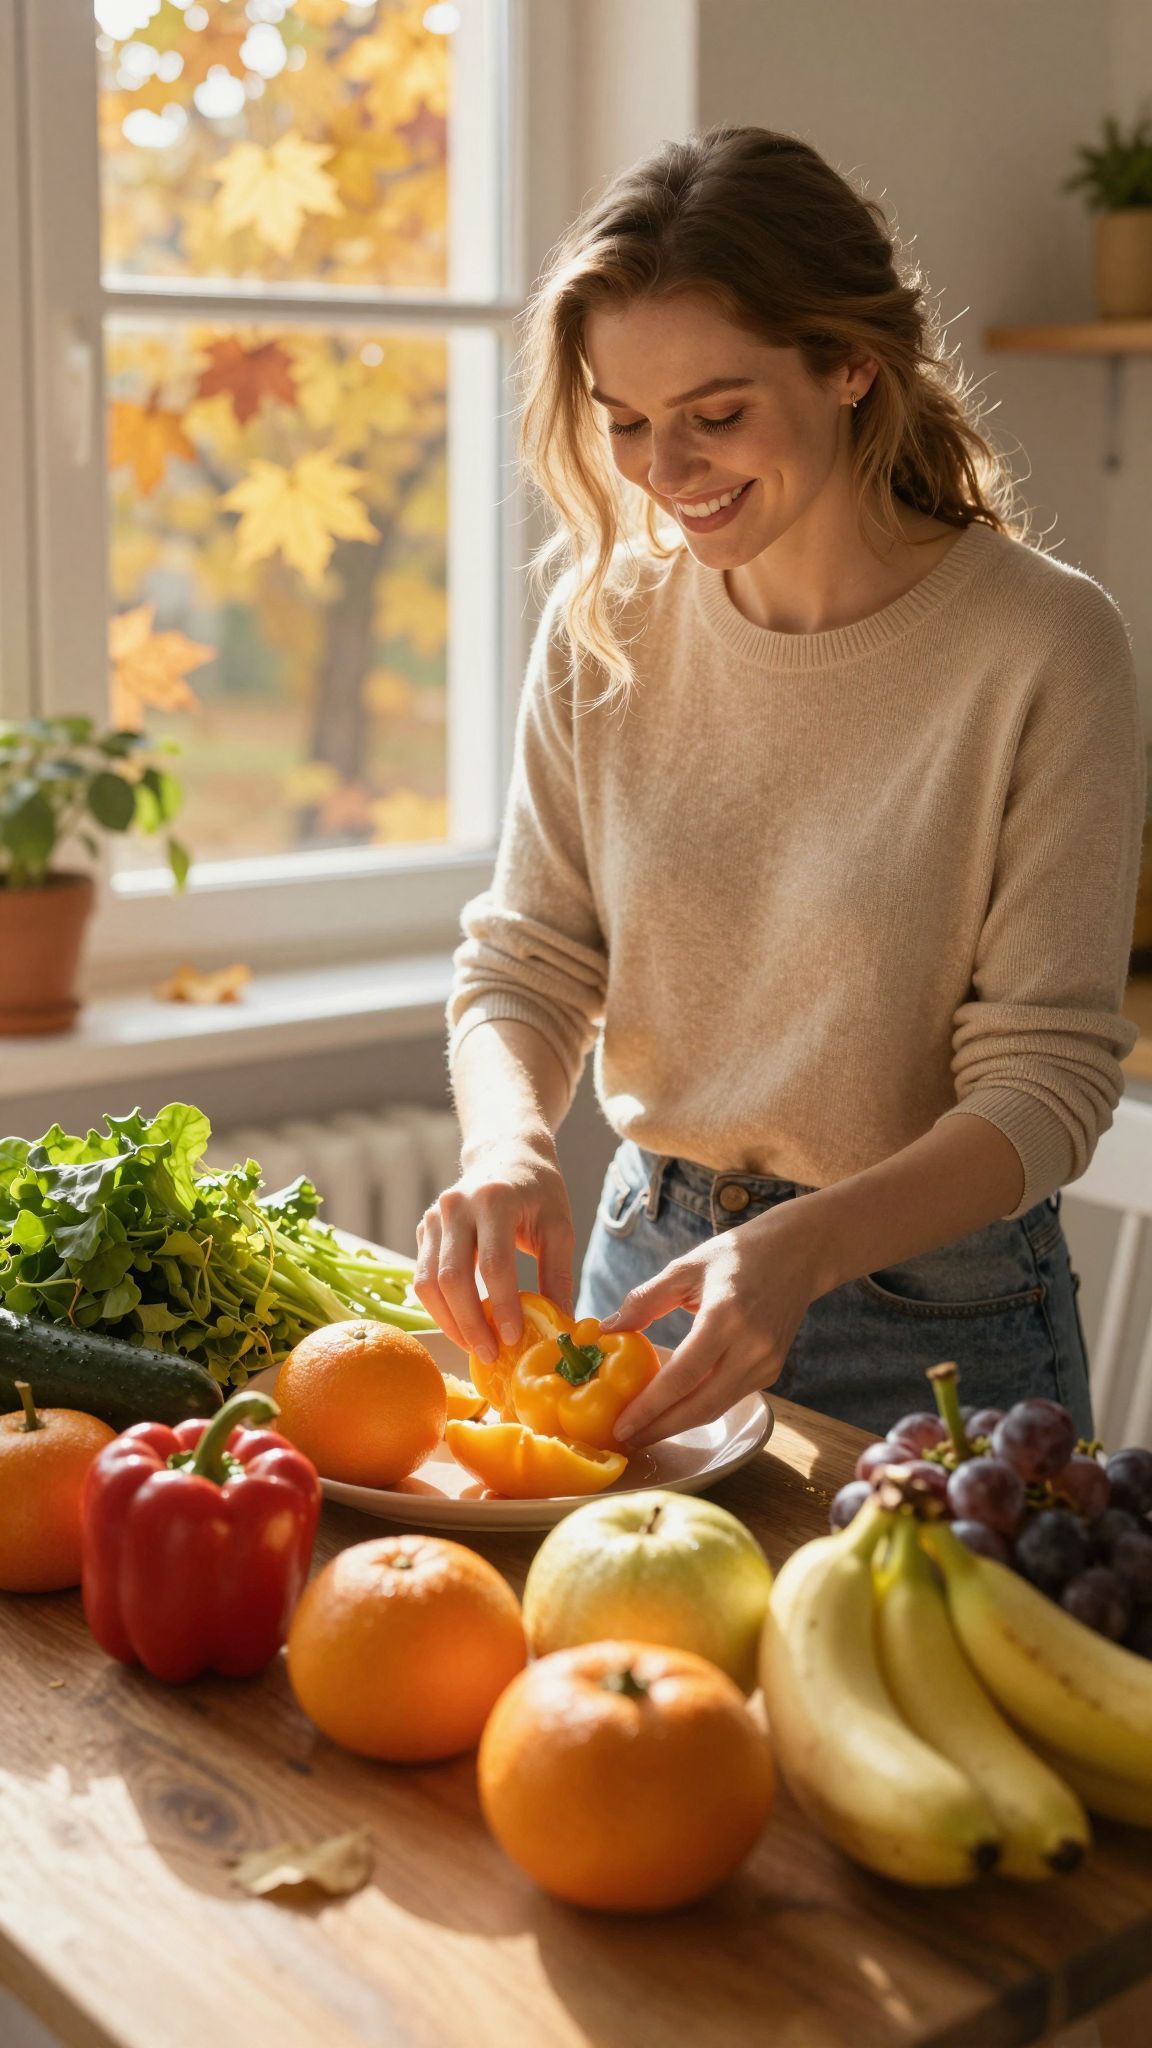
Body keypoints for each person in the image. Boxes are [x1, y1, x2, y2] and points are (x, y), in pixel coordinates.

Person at [413, 124, 1145, 1452]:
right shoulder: (607, 621)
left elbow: (1045, 1086)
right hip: (645, 1286)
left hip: (942, 1334)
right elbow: (525, 963)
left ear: (852, 362)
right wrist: (507, 1145)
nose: (665, 475)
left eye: (717, 414)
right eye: (626, 424)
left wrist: (808, 1250)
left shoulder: (1045, 645)